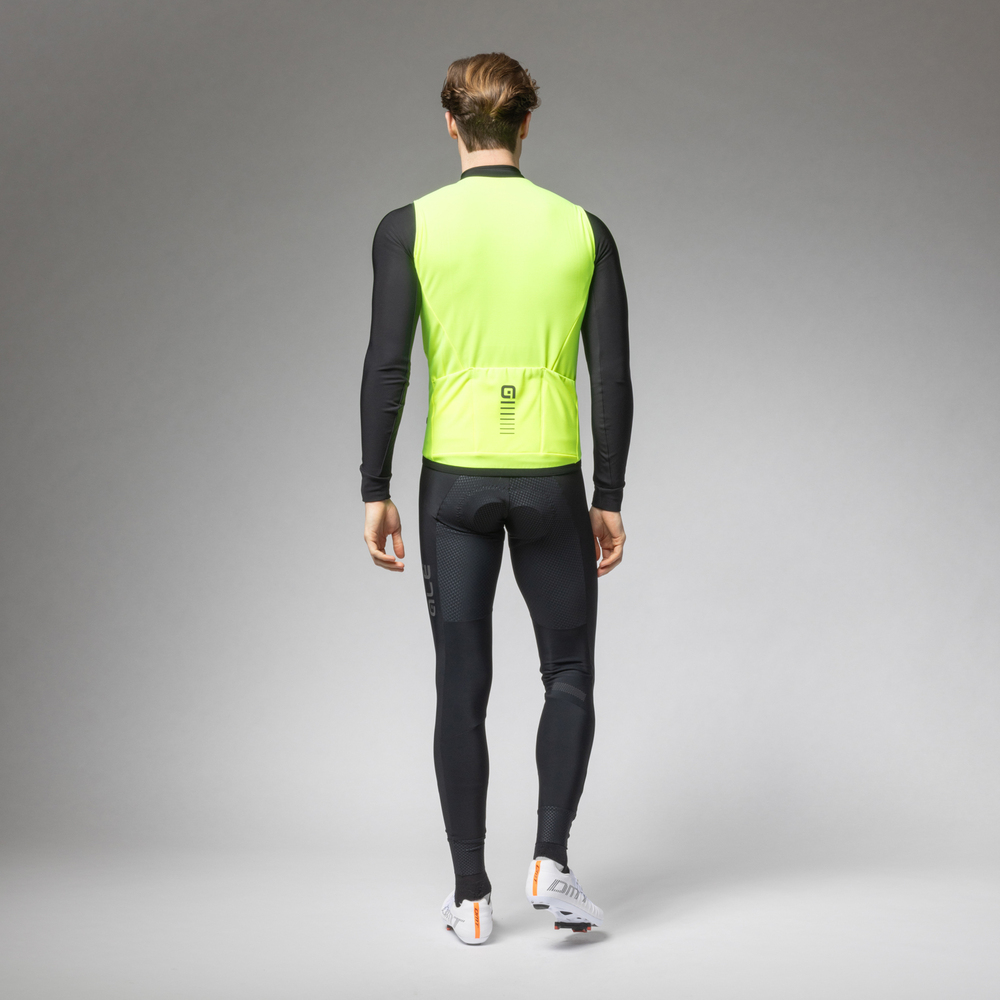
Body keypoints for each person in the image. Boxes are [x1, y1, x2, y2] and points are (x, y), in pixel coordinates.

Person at [359, 52, 632, 945]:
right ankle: (551, 860)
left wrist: (374, 487)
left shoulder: (408, 226)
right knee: (569, 674)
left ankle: (471, 898)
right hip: (551, 478)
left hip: (453, 484)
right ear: (526, 123)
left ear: (451, 122)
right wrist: (608, 493)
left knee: (460, 686)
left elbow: (388, 366)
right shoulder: (584, 230)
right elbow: (611, 379)